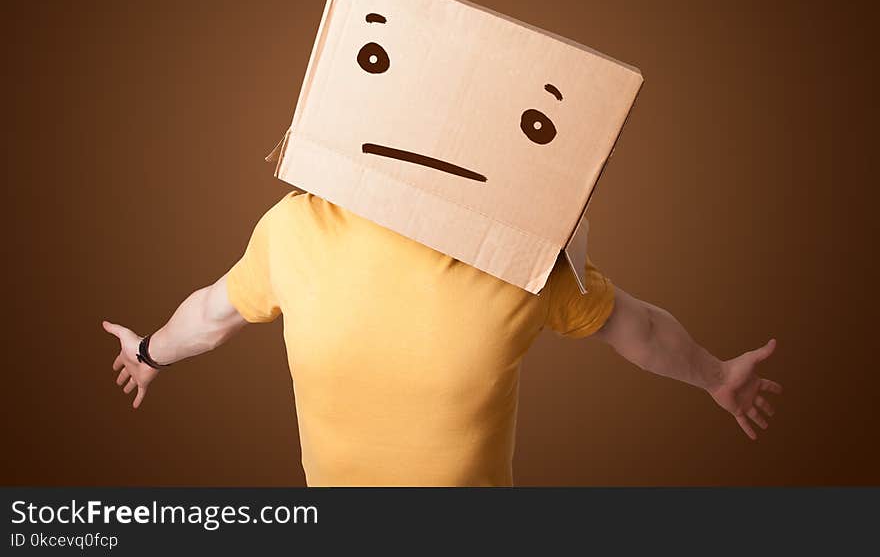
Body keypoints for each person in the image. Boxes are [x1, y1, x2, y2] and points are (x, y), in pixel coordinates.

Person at [103, 191, 782, 486]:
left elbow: (209, 316)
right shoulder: (297, 228)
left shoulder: (525, 259)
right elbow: (211, 314)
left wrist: (149, 351)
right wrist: (148, 351)